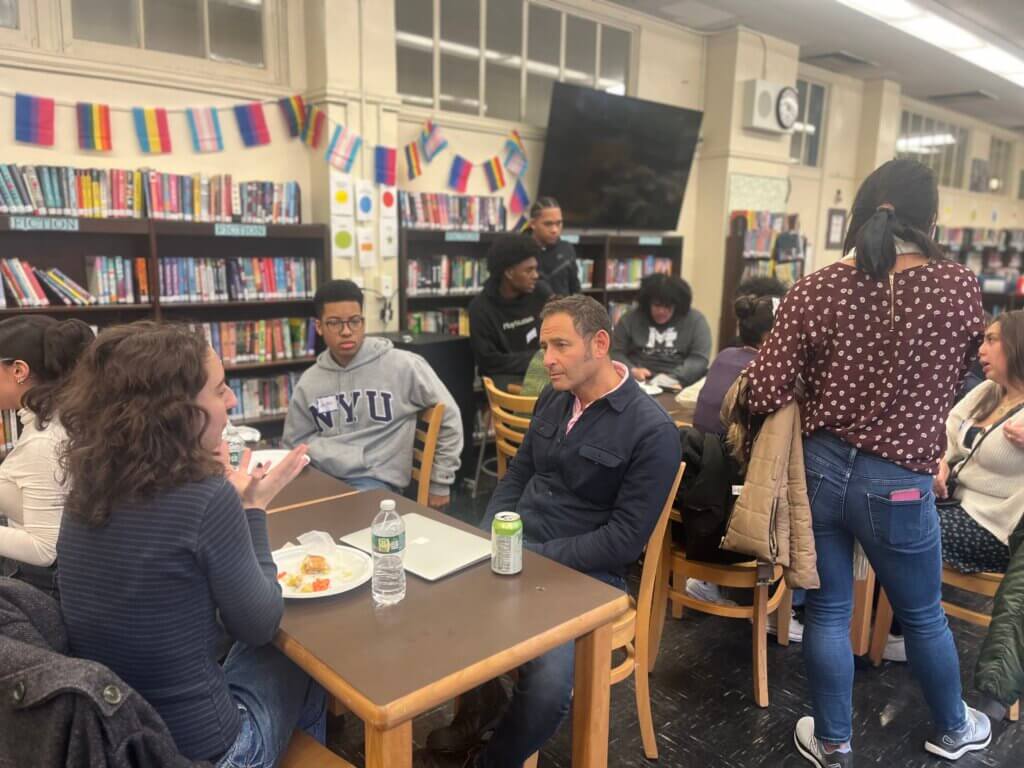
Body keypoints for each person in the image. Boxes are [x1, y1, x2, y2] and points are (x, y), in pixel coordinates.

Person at [745, 159, 990, 765]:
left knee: (828, 610)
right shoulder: (957, 285)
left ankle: (832, 743)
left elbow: (762, 390)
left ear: (860, 212)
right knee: (923, 614)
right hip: (901, 485)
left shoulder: (817, 286)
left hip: (821, 470)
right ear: (931, 218)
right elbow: (962, 368)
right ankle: (955, 729)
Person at [417, 295, 681, 768]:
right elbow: (517, 475)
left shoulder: (652, 431)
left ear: (599, 344)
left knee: (547, 682)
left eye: (560, 345)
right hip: (523, 549)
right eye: (544, 346)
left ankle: (494, 760)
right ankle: (483, 710)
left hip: (589, 577)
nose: (547, 360)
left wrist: (528, 557)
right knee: (438, 598)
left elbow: (622, 540)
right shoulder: (553, 396)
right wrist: (488, 539)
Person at [56, 322, 326, 767]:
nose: (233, 402)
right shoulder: (206, 498)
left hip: (117, 739)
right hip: (209, 750)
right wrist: (253, 508)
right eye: (220, 390)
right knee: (301, 655)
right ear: (176, 410)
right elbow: (259, 623)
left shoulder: (83, 490)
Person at [284, 279, 463, 505]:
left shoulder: (403, 366)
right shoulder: (309, 381)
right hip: (321, 477)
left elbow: (449, 415)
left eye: (354, 321)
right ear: (319, 327)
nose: (347, 331)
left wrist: (440, 481)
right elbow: (293, 443)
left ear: (364, 322)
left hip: (373, 483)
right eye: (335, 323)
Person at [0, 316, 93, 598]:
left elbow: (45, 548)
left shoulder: (43, 441)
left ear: (18, 371)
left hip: (47, 590)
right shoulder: (59, 421)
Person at [936, 310, 1024, 574]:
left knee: (899, 525)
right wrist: (939, 460)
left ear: (1016, 344)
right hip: (954, 505)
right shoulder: (988, 390)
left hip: (995, 528)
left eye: (991, 340)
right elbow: (947, 431)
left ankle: (904, 613)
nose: (980, 352)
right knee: (881, 509)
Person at [693, 276, 788, 435]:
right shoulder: (764, 367)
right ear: (768, 336)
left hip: (700, 446)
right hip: (728, 453)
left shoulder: (725, 354)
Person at [468, 234, 551, 392]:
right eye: (529, 270)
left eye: (536, 269)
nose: (536, 275)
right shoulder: (480, 308)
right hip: (504, 378)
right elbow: (489, 361)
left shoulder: (541, 294)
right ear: (509, 273)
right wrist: (536, 358)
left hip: (544, 371)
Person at [611, 272, 710, 386]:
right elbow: (616, 352)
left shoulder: (695, 321)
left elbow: (699, 359)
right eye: (657, 305)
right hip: (639, 381)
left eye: (667, 306)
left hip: (679, 382)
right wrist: (631, 370)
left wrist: (675, 377)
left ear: (677, 305)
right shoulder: (630, 318)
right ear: (647, 303)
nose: (661, 311)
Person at [529, 197, 581, 297]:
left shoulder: (567, 249)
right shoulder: (521, 251)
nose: (555, 230)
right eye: (548, 224)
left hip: (563, 310)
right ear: (533, 224)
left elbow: (575, 288)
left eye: (559, 223)